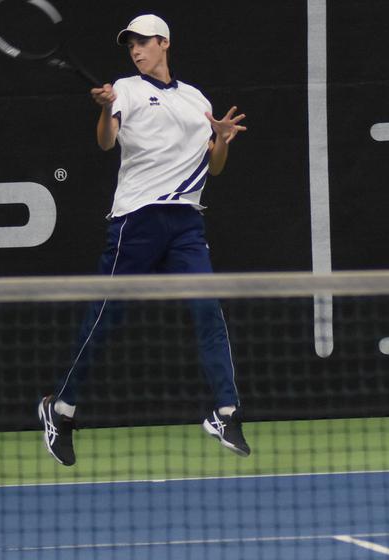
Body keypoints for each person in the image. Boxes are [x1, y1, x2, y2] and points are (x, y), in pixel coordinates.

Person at [37, 14, 249, 466]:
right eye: (130, 44)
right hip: (136, 222)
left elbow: (214, 167)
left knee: (208, 312)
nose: (135, 50)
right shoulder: (125, 90)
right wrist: (104, 108)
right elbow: (106, 142)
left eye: (143, 42)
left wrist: (223, 139)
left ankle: (227, 413)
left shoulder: (197, 100)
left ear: (164, 43)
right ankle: (61, 409)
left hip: (187, 225)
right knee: (104, 320)